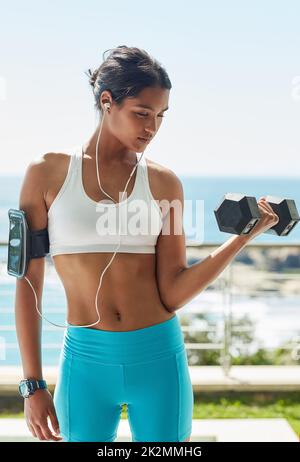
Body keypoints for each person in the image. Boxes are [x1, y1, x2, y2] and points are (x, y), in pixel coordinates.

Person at [15, 45, 279, 442]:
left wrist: (242, 239)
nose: (152, 127)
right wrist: (32, 385)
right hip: (85, 361)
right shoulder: (47, 174)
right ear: (107, 102)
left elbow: (173, 290)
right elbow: (27, 281)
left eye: (160, 116)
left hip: (158, 357)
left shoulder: (163, 183)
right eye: (142, 113)